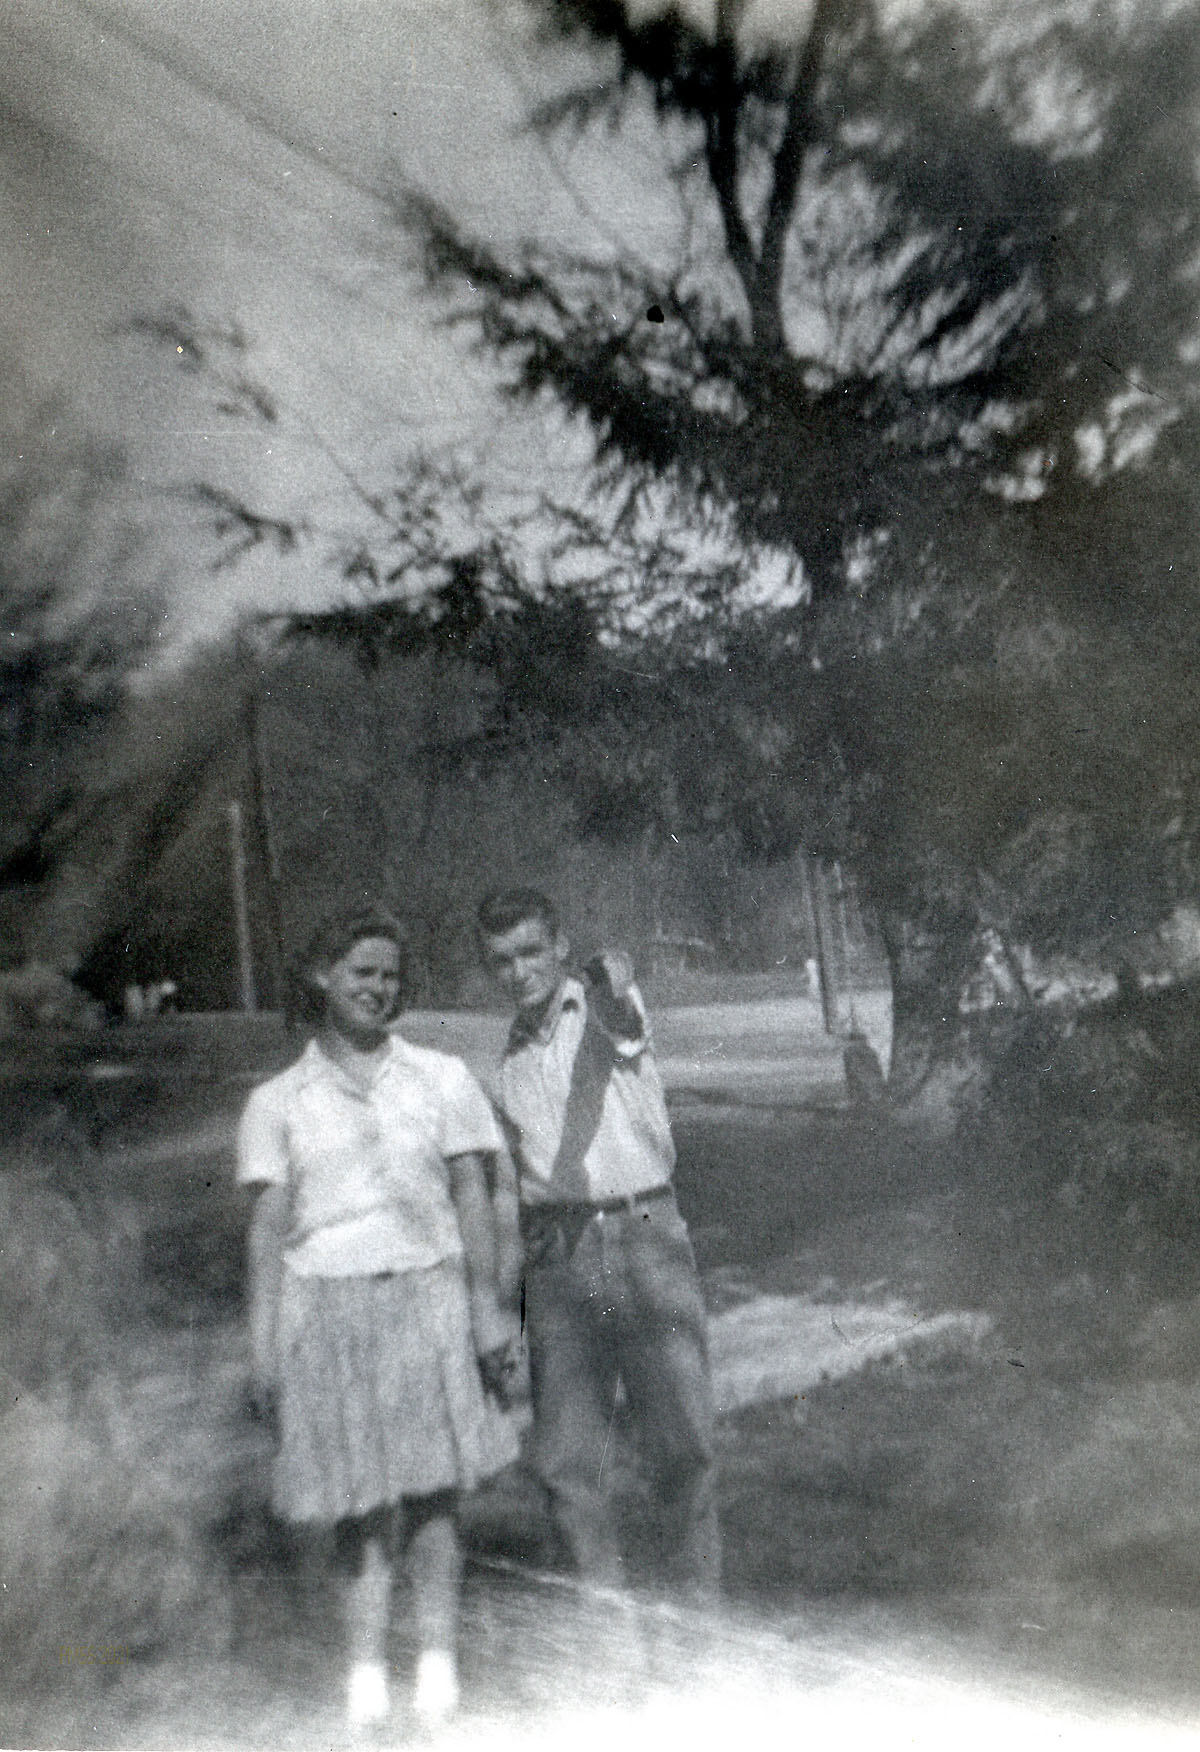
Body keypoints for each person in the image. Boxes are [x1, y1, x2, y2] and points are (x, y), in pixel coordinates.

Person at [237, 909, 519, 1733]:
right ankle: (365, 1677)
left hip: (428, 1303)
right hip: (327, 1313)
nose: (379, 988)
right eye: (362, 972)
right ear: (321, 977)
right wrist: (262, 1351)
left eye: (391, 975)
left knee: (434, 1501)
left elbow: (473, 1199)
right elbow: (267, 1236)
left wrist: (488, 1314)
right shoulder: (277, 1102)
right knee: (358, 1509)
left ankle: (437, 1667)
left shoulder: (441, 1078)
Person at [476, 887, 720, 1605]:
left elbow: (622, 1018)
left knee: (681, 1448)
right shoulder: (508, 1059)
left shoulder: (603, 1010)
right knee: (566, 1466)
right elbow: (509, 1186)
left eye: (531, 952)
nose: (519, 971)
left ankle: (700, 1629)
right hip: (559, 1258)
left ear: (559, 946)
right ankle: (604, 1638)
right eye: (502, 961)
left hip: (644, 1236)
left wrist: (611, 983)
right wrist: (502, 1302)